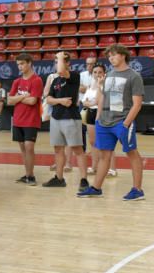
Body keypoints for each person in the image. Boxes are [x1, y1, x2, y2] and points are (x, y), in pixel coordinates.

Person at [78, 44, 145, 200]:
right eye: (109, 56)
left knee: (132, 153)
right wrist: (98, 118)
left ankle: (138, 190)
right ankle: (96, 188)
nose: (111, 58)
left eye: (114, 55)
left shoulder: (134, 76)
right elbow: (102, 97)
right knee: (104, 156)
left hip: (122, 121)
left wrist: (126, 124)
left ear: (123, 55)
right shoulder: (108, 75)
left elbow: (137, 104)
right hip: (104, 122)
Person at [42, 51, 86, 190]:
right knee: (58, 149)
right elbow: (48, 99)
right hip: (56, 118)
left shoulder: (74, 76)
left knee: (78, 149)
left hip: (70, 118)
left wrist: (61, 55)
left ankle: (84, 180)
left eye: (60, 61)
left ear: (68, 63)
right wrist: (60, 100)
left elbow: (61, 70)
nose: (57, 64)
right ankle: (59, 178)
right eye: (55, 61)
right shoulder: (55, 80)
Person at [7, 52, 43, 185]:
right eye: (18, 64)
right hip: (18, 120)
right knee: (23, 148)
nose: (20, 67)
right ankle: (27, 174)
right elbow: (9, 101)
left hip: (31, 120)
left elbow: (33, 101)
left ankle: (31, 176)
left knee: (29, 147)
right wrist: (23, 96)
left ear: (29, 63)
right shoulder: (17, 81)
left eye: (22, 64)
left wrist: (18, 98)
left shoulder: (36, 80)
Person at [81, 62, 108, 178]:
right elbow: (84, 101)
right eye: (95, 72)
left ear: (104, 73)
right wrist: (89, 102)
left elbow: (96, 101)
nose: (97, 74)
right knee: (93, 143)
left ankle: (111, 168)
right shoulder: (90, 85)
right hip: (90, 113)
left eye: (100, 72)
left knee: (105, 143)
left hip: (101, 114)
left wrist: (89, 102)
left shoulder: (104, 85)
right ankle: (94, 167)